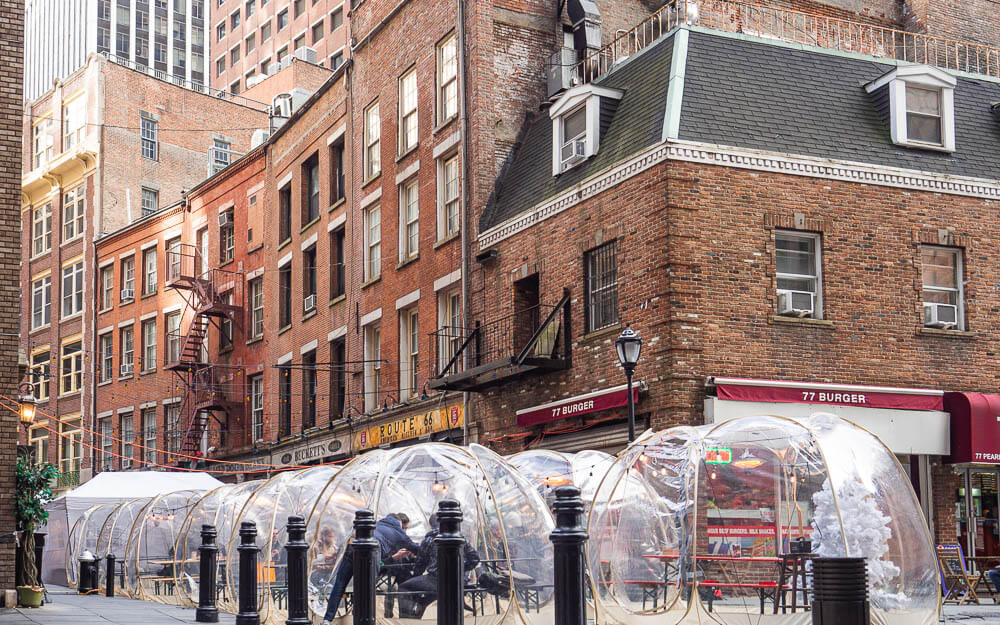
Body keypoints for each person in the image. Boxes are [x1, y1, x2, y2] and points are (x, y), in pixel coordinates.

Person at [321, 513, 420, 625]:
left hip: (353, 546)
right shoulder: (398, 531)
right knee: (369, 585)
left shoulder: (377, 524)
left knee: (340, 583)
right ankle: (361, 615)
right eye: (403, 527)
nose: (404, 530)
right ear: (399, 523)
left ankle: (327, 620)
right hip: (372, 549)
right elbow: (416, 549)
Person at [397, 514, 480, 619]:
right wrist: (460, 569)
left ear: (431, 525)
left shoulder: (429, 539)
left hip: (436, 580)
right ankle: (421, 606)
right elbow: (475, 559)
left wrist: (415, 576)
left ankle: (406, 619)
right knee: (432, 591)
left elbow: (421, 563)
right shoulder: (460, 537)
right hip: (459, 581)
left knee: (404, 587)